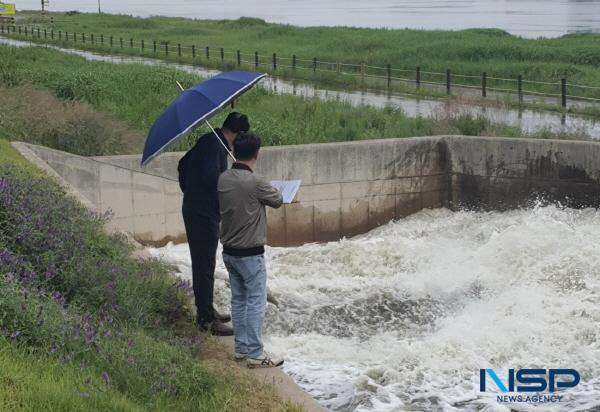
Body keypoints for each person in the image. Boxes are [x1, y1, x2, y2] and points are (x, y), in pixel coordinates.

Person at [178, 112, 249, 336]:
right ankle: (206, 320)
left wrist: (189, 191)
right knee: (204, 266)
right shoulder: (215, 146)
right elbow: (211, 178)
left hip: (197, 209)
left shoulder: (211, 140)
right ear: (238, 134)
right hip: (202, 214)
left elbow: (183, 164)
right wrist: (228, 179)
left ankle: (207, 309)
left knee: (204, 264)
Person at [217, 132, 284, 368]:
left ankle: (241, 348)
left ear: (235, 151)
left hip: (229, 251)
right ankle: (255, 353)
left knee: (238, 299)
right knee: (256, 301)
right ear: (257, 154)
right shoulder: (256, 182)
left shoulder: (223, 178)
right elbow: (277, 199)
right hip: (251, 253)